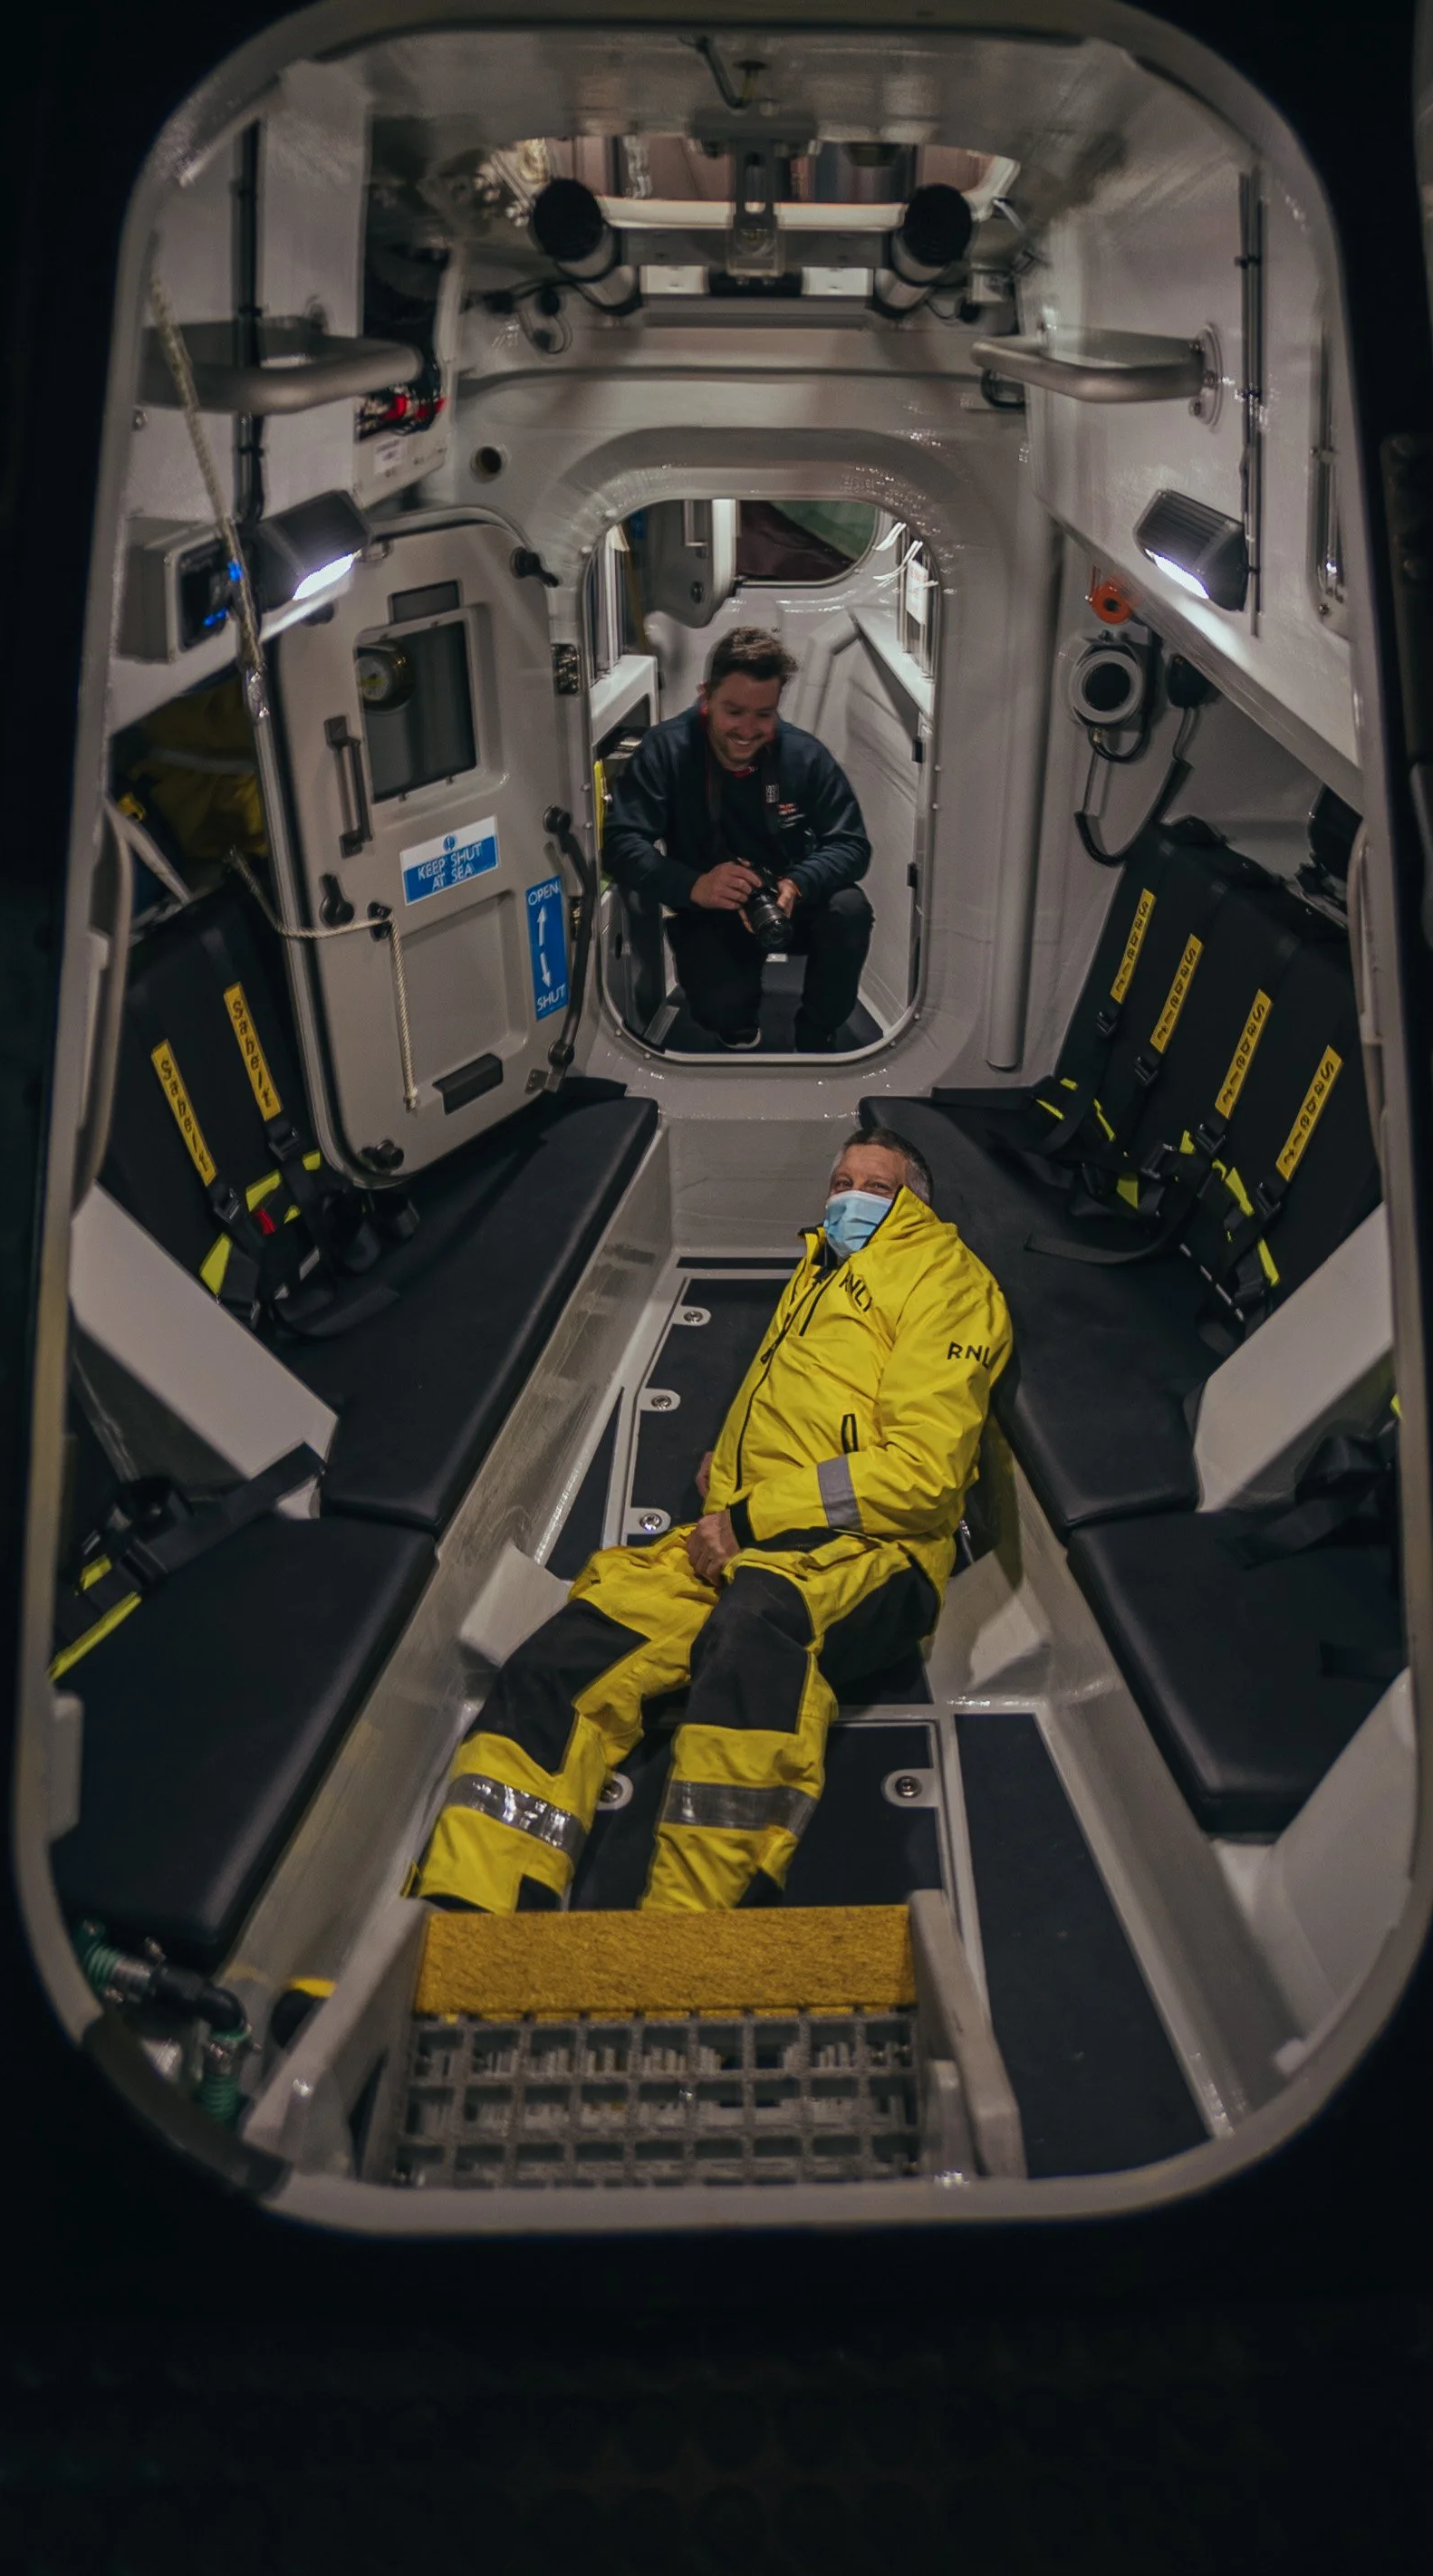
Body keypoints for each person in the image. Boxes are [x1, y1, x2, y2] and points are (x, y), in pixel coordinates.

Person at [410, 1129, 1012, 1913]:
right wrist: (727, 1479)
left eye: (874, 1185)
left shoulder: (946, 1281)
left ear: (915, 1205)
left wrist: (752, 1519)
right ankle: (465, 1916)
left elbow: (922, 1477)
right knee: (564, 1657)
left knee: (755, 1630)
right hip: (747, 1534)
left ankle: (697, 1930)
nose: (849, 1198)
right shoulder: (821, 1269)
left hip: (875, 1553)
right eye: (839, 1182)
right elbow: (806, 1406)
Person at [601, 620, 872, 1051]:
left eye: (763, 714)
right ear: (705, 695)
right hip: (709, 904)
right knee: (722, 1014)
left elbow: (852, 845)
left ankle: (818, 1029)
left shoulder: (804, 756)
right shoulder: (665, 750)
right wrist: (694, 886)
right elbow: (621, 844)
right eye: (734, 712)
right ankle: (736, 1022)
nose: (748, 730)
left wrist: (796, 884)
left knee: (849, 907)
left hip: (788, 901)